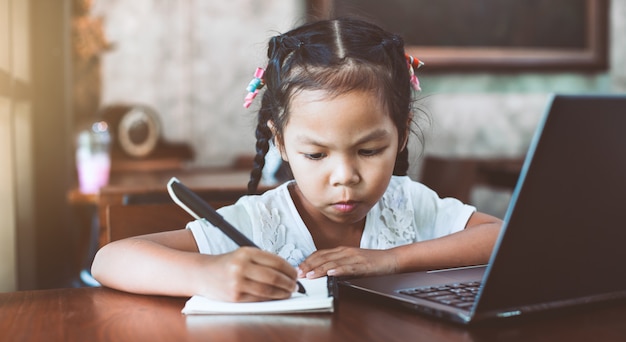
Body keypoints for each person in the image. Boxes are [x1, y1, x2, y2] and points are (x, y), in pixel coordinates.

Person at [91, 17, 502, 302]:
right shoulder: (263, 221)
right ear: (282, 144)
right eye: (316, 154)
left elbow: (501, 235)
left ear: (402, 133)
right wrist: (207, 274)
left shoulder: (408, 204)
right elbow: (109, 259)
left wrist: (391, 260)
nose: (345, 176)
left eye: (369, 150)